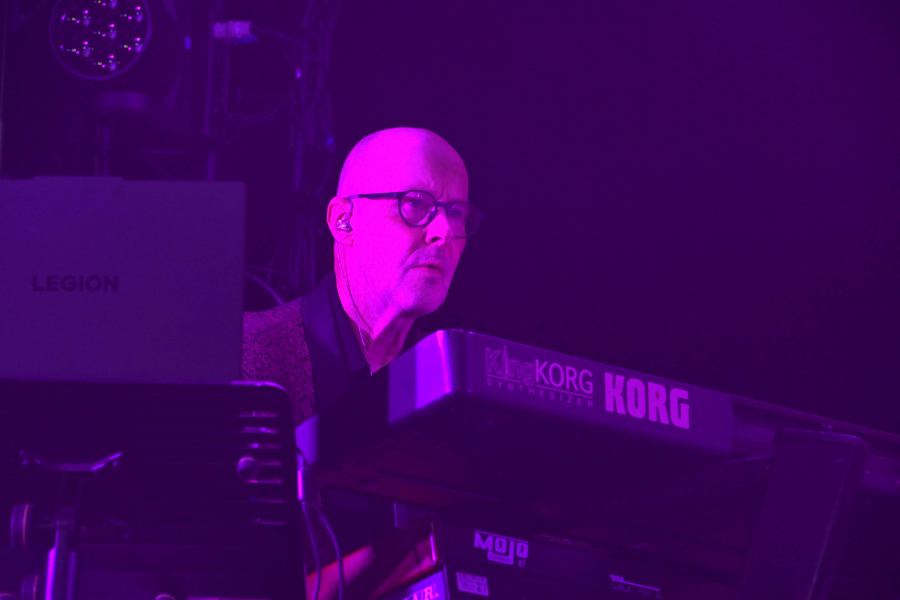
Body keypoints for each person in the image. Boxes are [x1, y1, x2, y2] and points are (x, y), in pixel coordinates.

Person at [240, 127, 483, 598]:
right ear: (343, 221)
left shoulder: (452, 394)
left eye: (456, 213)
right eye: (415, 205)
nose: (443, 232)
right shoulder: (245, 357)